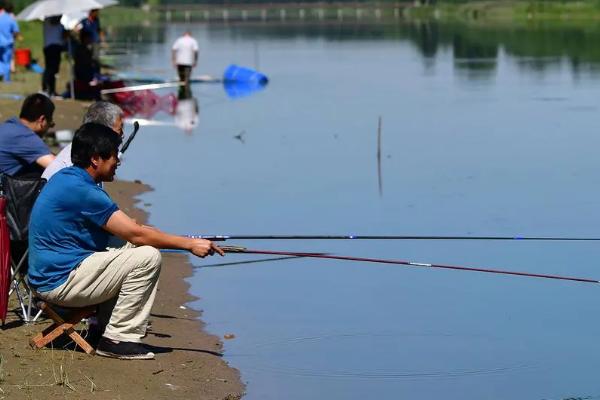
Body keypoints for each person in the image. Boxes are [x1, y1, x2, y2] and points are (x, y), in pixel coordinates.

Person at [28, 123, 223, 360]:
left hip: (52, 273)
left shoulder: (68, 178)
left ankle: (104, 328)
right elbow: (136, 234)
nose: (118, 162)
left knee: (135, 246)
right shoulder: (82, 189)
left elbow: (129, 230)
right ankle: (117, 339)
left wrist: (147, 234)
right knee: (147, 257)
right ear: (95, 159)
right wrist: (189, 244)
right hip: (58, 282)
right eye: (113, 156)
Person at [42, 101, 123, 181]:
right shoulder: (79, 162)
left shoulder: (84, 150)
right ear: (102, 130)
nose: (123, 135)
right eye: (119, 130)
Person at [0, 93, 56, 177]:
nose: (50, 127)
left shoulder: (9, 125)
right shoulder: (26, 137)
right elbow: (59, 168)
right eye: (50, 123)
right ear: (42, 120)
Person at [42, 16, 65, 97]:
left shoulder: (60, 25)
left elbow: (63, 36)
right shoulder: (48, 20)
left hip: (56, 48)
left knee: (54, 70)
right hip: (51, 47)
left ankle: (52, 90)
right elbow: (53, 21)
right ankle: (45, 88)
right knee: (50, 69)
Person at [0, 2, 19, 81]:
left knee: (1, 60)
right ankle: (6, 79)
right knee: (7, 61)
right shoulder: (11, 19)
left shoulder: (0, 17)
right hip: (8, 43)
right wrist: (13, 37)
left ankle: (1, 73)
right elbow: (16, 31)